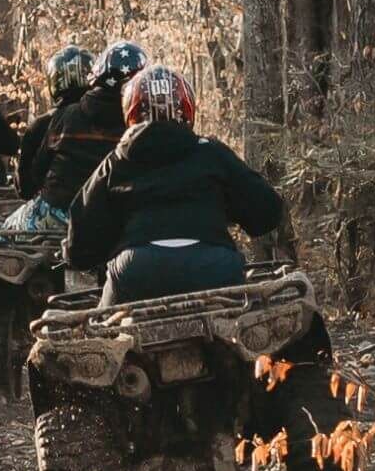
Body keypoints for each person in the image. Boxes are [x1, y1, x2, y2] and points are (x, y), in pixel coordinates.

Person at [65, 65, 284, 307]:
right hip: (214, 268)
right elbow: (268, 212)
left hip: (137, 271)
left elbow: (79, 246)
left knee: (102, 334)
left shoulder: (116, 162)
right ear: (187, 109)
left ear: (131, 111)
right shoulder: (212, 152)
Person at [37, 39, 147, 216]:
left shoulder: (63, 117)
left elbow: (34, 177)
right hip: (118, 217)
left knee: (1, 233)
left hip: (59, 214)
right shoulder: (140, 127)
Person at [0, 45, 94, 231]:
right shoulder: (116, 118)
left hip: (55, 215)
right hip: (105, 215)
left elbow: (25, 188)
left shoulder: (43, 124)